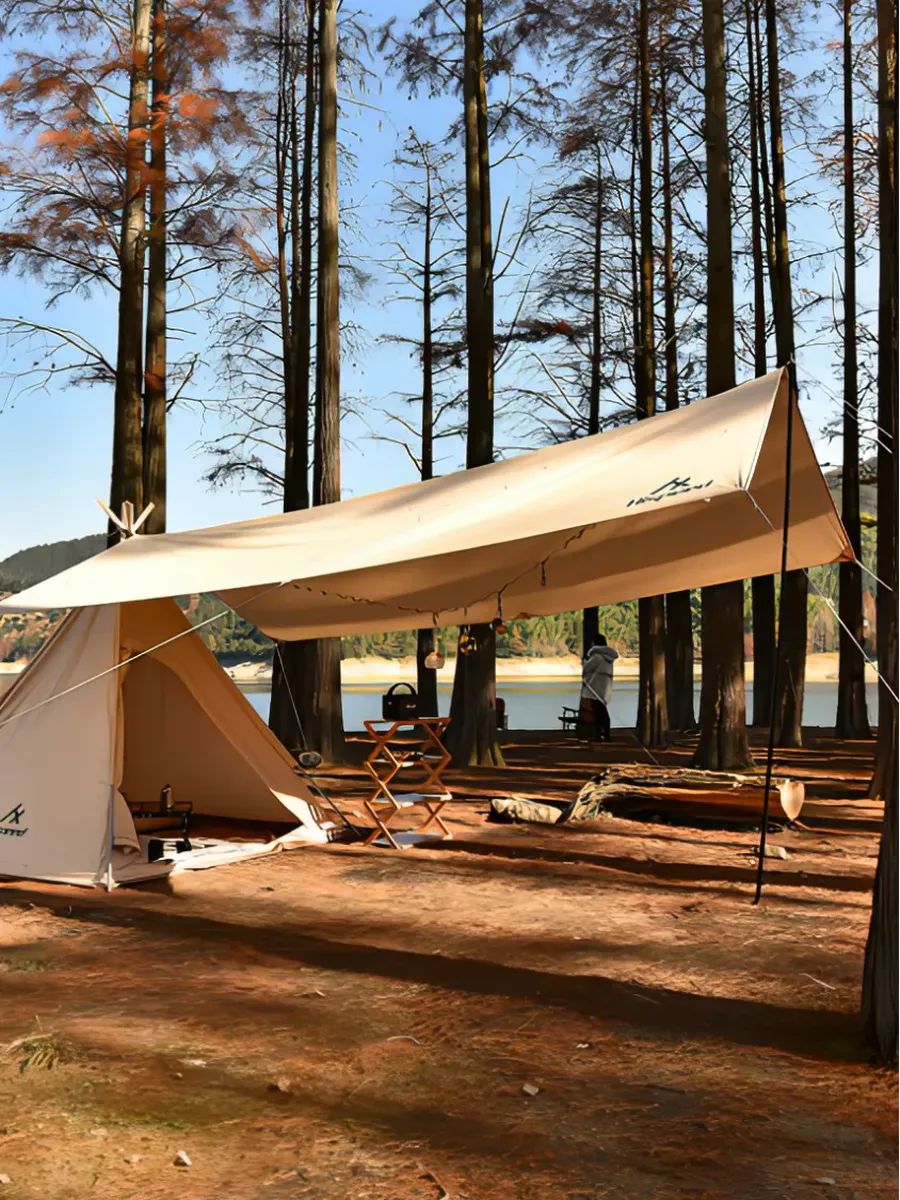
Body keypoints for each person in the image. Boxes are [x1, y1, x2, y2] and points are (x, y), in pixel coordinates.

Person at [580, 635, 618, 742]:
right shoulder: (608, 658)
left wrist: (584, 662)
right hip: (604, 688)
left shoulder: (597, 657)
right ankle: (602, 734)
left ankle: (603, 735)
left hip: (595, 688)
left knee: (599, 712)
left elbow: (587, 669)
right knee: (601, 711)